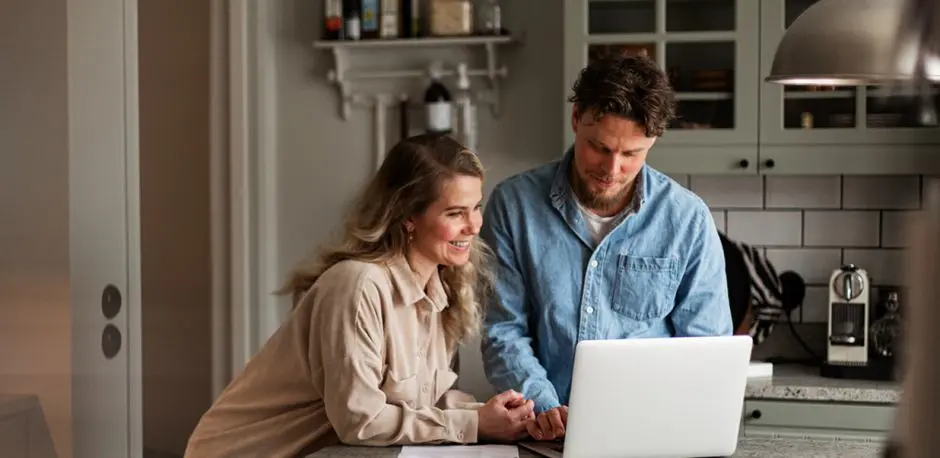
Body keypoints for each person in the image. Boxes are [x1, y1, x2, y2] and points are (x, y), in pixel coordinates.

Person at [184, 134, 534, 458]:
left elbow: (422, 402)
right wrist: (473, 425)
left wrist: (495, 415)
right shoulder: (357, 286)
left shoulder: (439, 291)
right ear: (408, 217)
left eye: (475, 207)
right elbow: (361, 421)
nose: (474, 225)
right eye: (455, 212)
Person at [479, 53, 733, 442]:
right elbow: (502, 329)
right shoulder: (513, 205)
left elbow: (707, 350)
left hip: (652, 435)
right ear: (576, 117)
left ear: (653, 141)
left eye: (631, 154)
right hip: (544, 435)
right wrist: (546, 409)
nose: (611, 170)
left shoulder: (687, 220)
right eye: (598, 147)